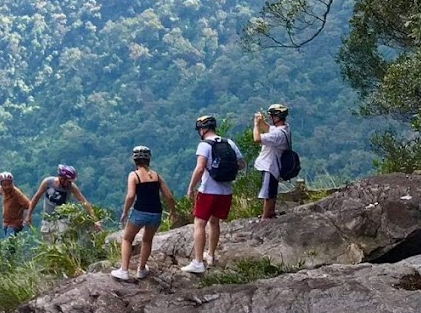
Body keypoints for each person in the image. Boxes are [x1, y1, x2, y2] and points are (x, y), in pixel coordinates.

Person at [182, 115, 245, 274]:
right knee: (214, 223)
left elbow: (200, 168)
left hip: (208, 191)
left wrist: (191, 187)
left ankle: (197, 262)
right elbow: (241, 164)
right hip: (226, 191)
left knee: (199, 224)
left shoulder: (204, 145)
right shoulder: (229, 142)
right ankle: (210, 255)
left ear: (202, 130)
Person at [111, 145, 176, 281]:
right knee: (147, 240)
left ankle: (124, 270)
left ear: (135, 160)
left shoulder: (134, 175)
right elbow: (169, 196)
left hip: (140, 212)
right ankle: (141, 269)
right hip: (156, 213)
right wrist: (172, 211)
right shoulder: (156, 176)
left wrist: (125, 211)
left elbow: (130, 196)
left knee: (127, 239)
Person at [28, 164, 91, 238]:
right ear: (62, 178)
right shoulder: (48, 182)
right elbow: (36, 197)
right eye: (68, 181)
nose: (69, 183)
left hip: (62, 220)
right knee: (48, 244)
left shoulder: (71, 187)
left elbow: (83, 201)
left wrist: (94, 218)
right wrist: (29, 215)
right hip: (47, 219)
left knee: (61, 242)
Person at [253, 103, 291, 220]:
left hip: (270, 166)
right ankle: (270, 213)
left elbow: (257, 139)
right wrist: (261, 121)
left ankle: (265, 217)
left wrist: (255, 125)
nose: (270, 118)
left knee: (267, 193)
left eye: (272, 116)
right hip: (274, 166)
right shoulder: (284, 128)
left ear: (277, 117)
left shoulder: (278, 135)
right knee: (271, 191)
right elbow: (268, 128)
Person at [0, 171, 32, 235]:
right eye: (5, 185)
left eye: (9, 184)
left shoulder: (17, 193)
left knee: (9, 243)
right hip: (6, 223)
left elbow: (29, 204)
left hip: (15, 223)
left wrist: (27, 217)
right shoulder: (1, 190)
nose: (7, 187)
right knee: (12, 243)